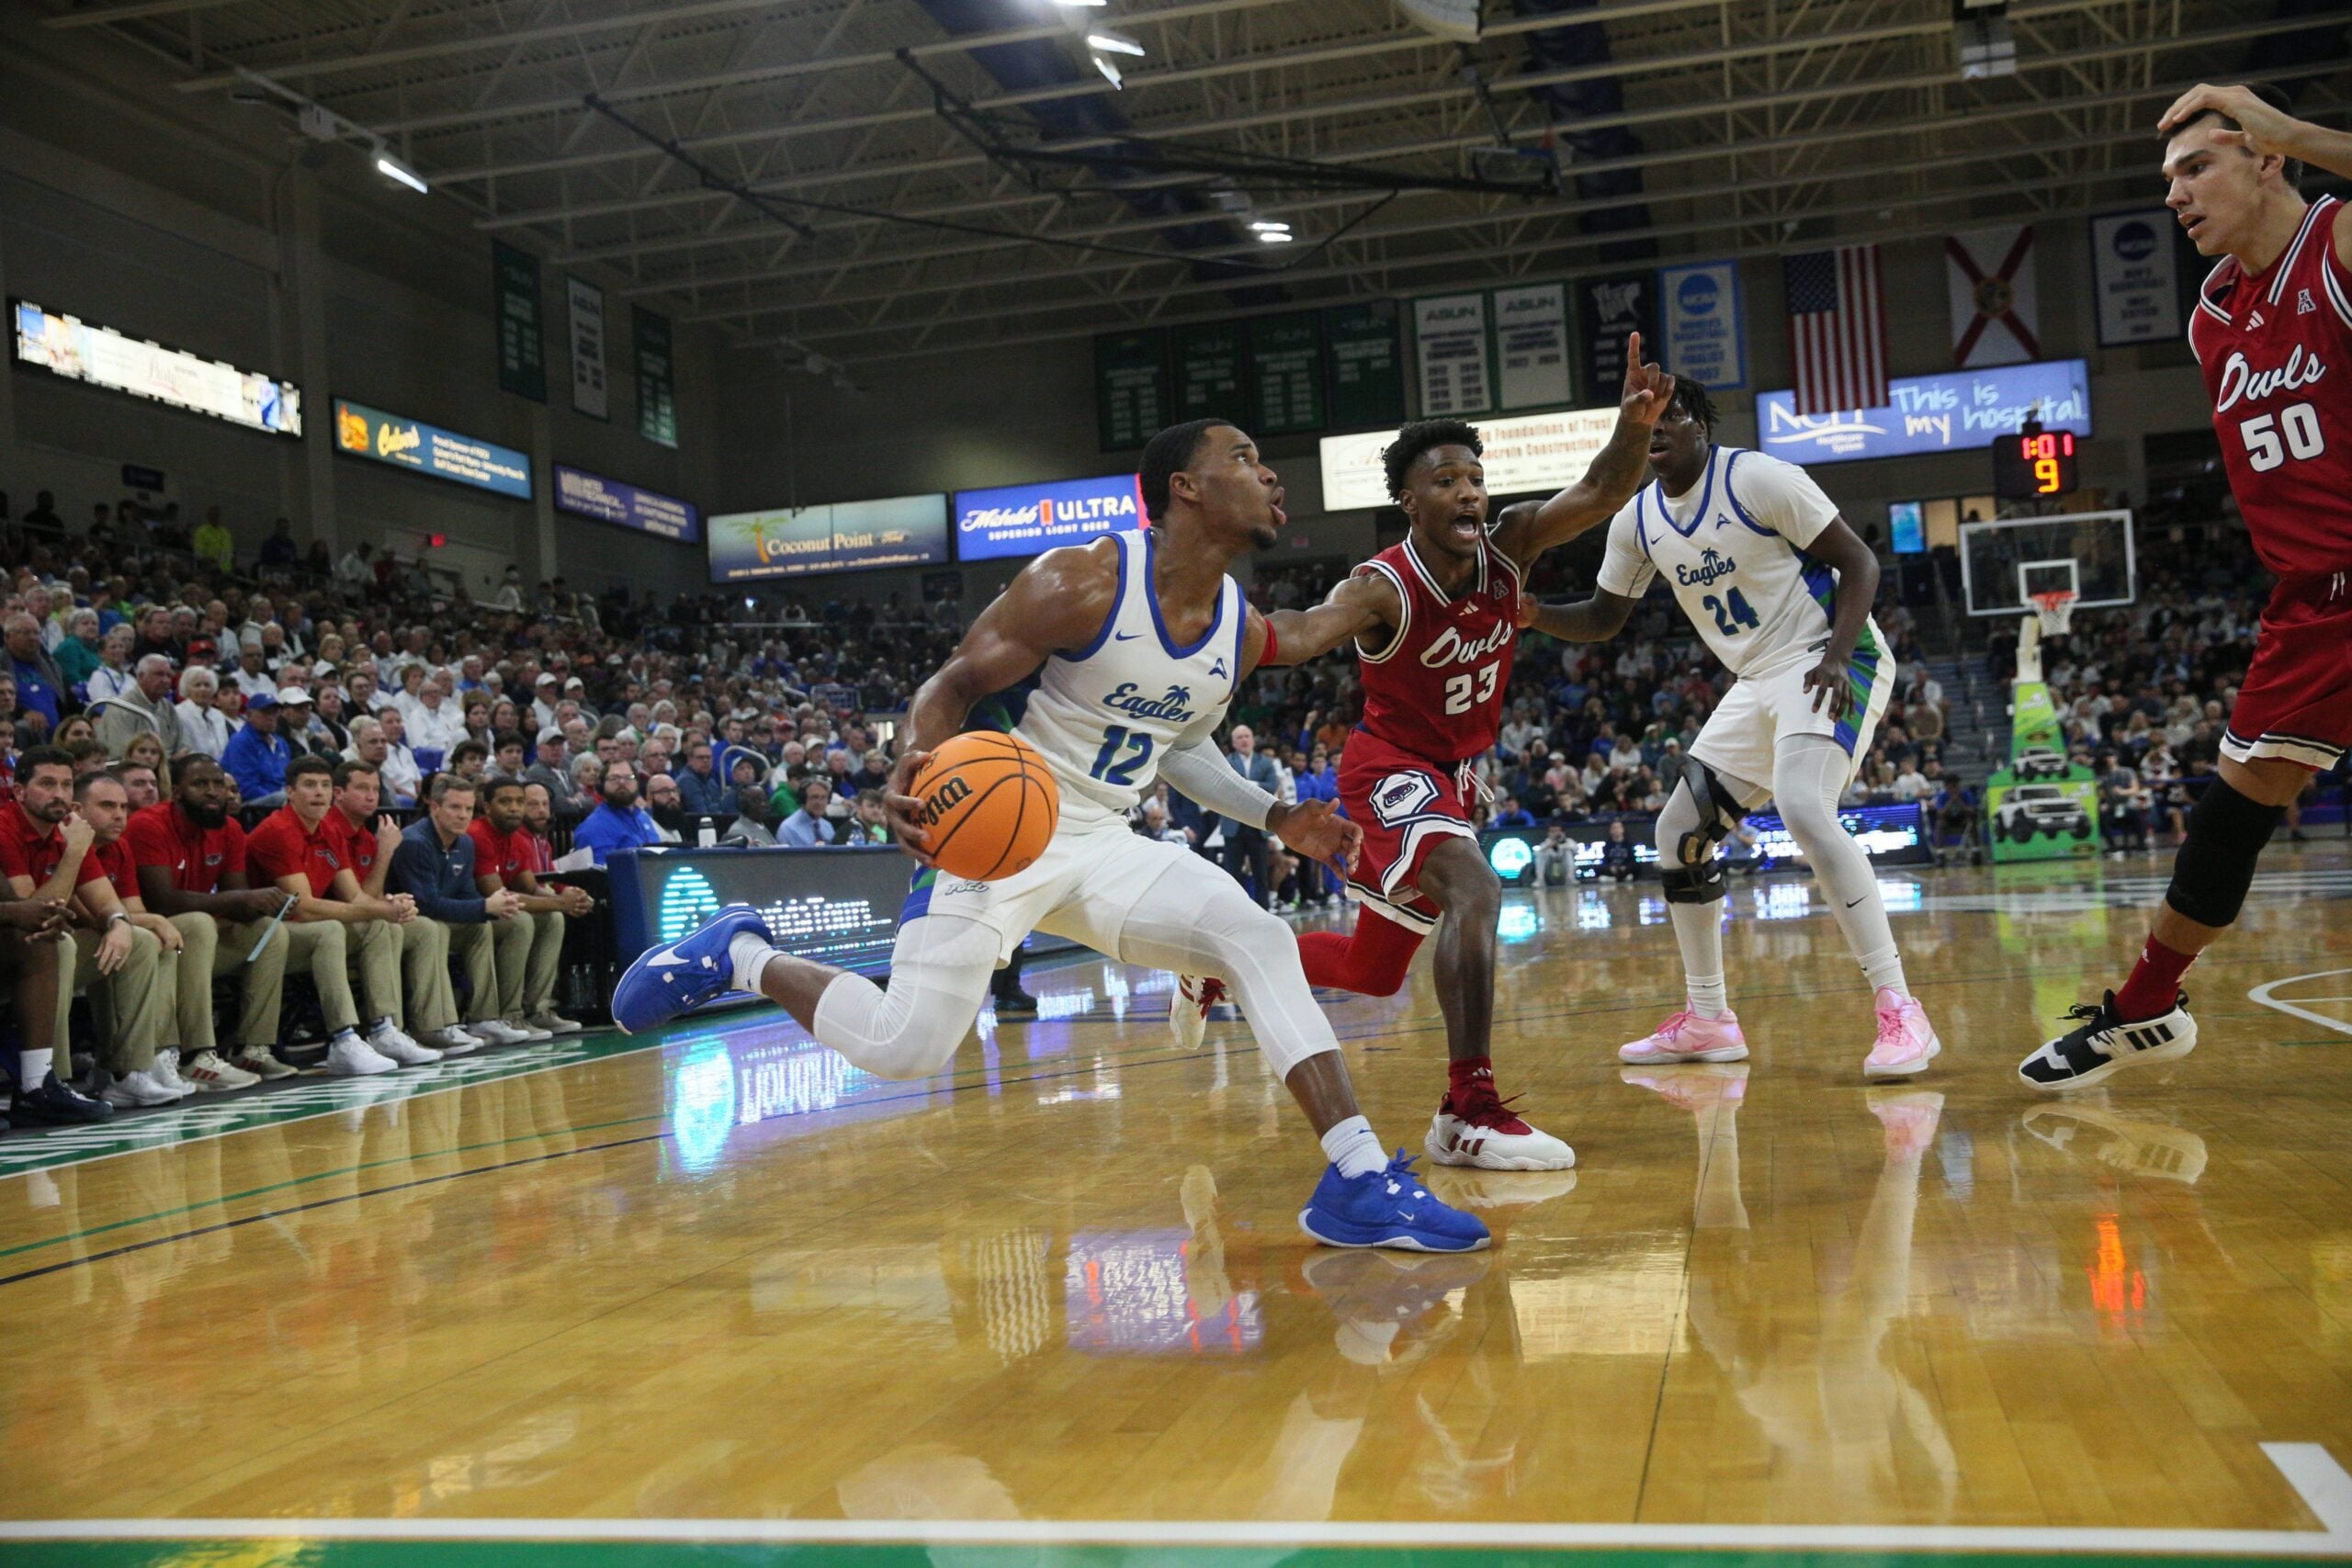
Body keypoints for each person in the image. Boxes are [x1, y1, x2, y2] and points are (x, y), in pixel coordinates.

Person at [611, 417, 1487, 1252]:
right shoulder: (1082, 580)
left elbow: (1181, 744)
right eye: (1247, 457)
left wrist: (1275, 813)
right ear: (1185, 488)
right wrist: (912, 764)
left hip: (1105, 838)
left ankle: (1358, 1178)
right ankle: (742, 956)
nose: (1270, 475)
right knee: (905, 1047)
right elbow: (951, 685)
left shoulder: (1239, 629)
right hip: (1003, 825)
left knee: (1256, 934)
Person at [1178, 340, 1673, 1172]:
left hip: (1455, 776)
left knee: (1373, 972)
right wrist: (1201, 621)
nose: (1468, 492)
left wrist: (1632, 424)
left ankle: (1218, 965)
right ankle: (1467, 1107)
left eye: (1474, 478)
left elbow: (1601, 488)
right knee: (1476, 888)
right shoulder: (1382, 585)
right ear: (1409, 500)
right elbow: (1298, 636)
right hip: (1389, 770)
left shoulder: (1510, 546)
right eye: (1444, 482)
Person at [2019, 85, 2352, 1089]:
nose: (2174, 195)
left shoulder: (2334, 245)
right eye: (2167, 180)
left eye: (2195, 167)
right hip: (2312, 604)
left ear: (2268, 163)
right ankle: (2146, 1006)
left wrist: (2298, 128)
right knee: (2232, 811)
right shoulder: (2214, 316)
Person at [1519, 376, 1940, 1078]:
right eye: (1645, 419)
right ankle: (1709, 1017)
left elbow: (1858, 562)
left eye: (1671, 414)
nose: (1657, 429)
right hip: (1757, 680)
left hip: (1828, 655)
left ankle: (1901, 1007)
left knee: (1804, 805)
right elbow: (1601, 617)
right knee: (1676, 833)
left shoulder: (1758, 477)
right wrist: (1535, 615)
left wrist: (1838, 656)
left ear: (1699, 424)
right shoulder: (1638, 520)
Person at [245, 754, 443, 1076]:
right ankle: (343, 1039)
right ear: (289, 792)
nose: (319, 793)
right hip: (268, 934)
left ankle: (383, 1030)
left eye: (324, 785)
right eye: (309, 785)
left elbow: (355, 896)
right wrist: (379, 908)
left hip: (307, 929)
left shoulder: (329, 829)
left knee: (381, 926)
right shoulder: (278, 830)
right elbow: (303, 905)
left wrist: (388, 907)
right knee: (333, 930)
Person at [122, 755, 306, 1089]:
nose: (212, 792)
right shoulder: (148, 825)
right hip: (158, 946)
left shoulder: (231, 829)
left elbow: (237, 900)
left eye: (218, 784)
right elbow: (163, 900)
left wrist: (266, 901)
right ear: (176, 792)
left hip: (198, 944)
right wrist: (238, 901)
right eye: (200, 784)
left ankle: (253, 1046)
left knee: (271, 929)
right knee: (198, 922)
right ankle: (197, 1054)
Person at [0, 748, 119, 1122]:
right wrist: (74, 854)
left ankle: (133, 1071)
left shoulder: (68, 829)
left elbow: (106, 903)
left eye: (67, 785)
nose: (60, 794)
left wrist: (118, 922)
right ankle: (58, 1075)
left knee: (144, 942)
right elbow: (31, 910)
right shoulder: (7, 828)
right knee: (49, 940)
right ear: (19, 791)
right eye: (48, 783)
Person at [388, 774, 549, 1048]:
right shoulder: (415, 842)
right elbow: (427, 903)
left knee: (494, 924)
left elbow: (467, 896)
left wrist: (495, 906)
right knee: (437, 928)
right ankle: (438, 1024)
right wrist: (485, 906)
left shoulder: (465, 843)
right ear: (434, 807)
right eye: (454, 808)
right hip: (412, 920)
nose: (463, 815)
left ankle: (489, 1018)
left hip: (444, 918)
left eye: (467, 809)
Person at [331, 758, 479, 1055]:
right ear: (339, 793)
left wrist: (386, 902)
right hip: (333, 921)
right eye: (362, 788)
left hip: (356, 917)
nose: (372, 796)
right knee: (398, 926)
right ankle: (386, 1030)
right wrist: (386, 852)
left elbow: (365, 897)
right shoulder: (333, 830)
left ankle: (432, 1025)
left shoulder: (364, 832)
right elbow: (356, 900)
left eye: (375, 788)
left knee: (424, 928)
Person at [73, 769, 203, 1106]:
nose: (119, 815)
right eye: (106, 806)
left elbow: (130, 909)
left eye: (123, 807)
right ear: (77, 810)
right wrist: (155, 919)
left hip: (99, 939)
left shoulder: (121, 847)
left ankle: (156, 1057)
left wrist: (151, 922)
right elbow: (86, 915)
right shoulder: (69, 844)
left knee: (152, 939)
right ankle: (116, 1066)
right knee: (140, 939)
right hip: (65, 942)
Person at [467, 775, 590, 1035]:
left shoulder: (517, 839)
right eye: (505, 801)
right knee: (519, 921)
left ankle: (539, 1009)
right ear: (487, 807)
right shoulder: (478, 835)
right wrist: (560, 902)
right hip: (474, 912)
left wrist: (571, 898)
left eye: (519, 802)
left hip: (498, 912)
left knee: (553, 918)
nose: (514, 808)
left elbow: (531, 887)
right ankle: (511, 1015)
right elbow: (502, 898)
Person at [572, 761, 664, 864]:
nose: (622, 782)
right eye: (614, 778)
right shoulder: (593, 828)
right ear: (602, 785)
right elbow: (601, 876)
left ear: (637, 784)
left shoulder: (643, 818)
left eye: (629, 778)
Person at [220, 690, 293, 808]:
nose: (271, 717)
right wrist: (285, 797)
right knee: (286, 799)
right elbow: (245, 787)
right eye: (266, 712)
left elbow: (290, 777)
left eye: (275, 712)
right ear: (249, 715)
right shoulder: (241, 741)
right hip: (253, 806)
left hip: (281, 798)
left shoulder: (280, 742)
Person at [777, 776, 837, 847]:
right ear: (803, 799)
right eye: (814, 797)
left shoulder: (827, 827)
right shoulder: (788, 829)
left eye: (823, 798)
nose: (819, 803)